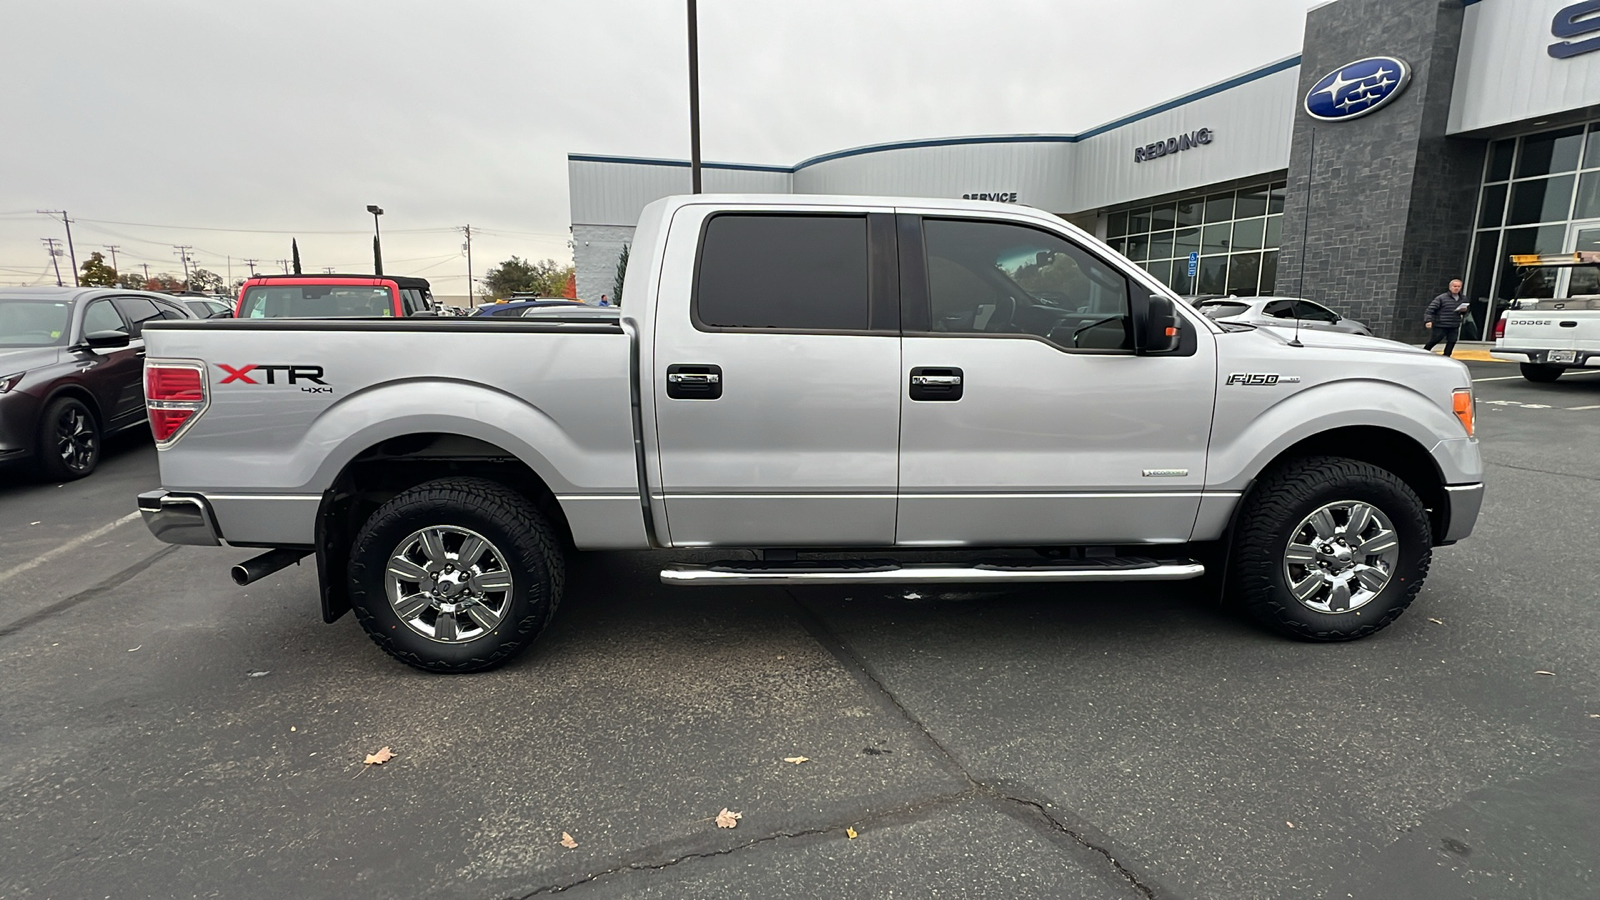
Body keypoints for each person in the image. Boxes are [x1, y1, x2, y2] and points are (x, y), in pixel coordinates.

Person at [1424, 278, 1468, 358]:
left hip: (1454, 324)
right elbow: (1430, 310)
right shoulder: (1441, 298)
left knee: (1452, 341)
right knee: (1435, 339)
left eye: (1459, 286)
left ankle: (1447, 355)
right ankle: (1425, 351)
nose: (1456, 288)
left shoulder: (1463, 298)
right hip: (1441, 324)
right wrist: (1428, 320)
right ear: (1450, 287)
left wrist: (1463, 311)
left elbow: (1465, 313)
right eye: (1455, 286)